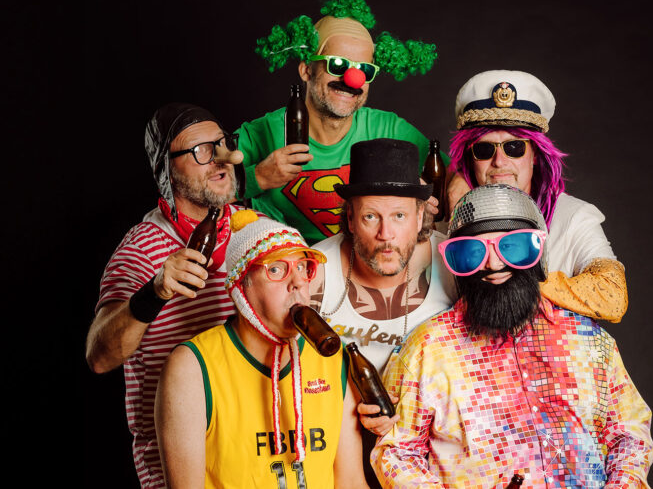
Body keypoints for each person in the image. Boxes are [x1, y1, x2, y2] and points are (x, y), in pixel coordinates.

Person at [372, 184, 653, 488]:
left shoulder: (589, 340)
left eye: (512, 247)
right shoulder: (427, 349)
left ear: (538, 251)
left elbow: (629, 434)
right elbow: (397, 453)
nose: (494, 265)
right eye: (474, 252)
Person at [85, 103, 244, 487]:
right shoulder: (142, 249)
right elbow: (99, 357)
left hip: (249, 460)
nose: (221, 159)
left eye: (222, 144)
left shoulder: (256, 231)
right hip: (180, 471)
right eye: (201, 150)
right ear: (167, 171)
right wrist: (153, 292)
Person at [155, 212, 367, 488]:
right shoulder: (190, 368)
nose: (297, 282)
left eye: (303, 267)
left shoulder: (334, 357)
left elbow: (351, 482)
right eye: (276, 269)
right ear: (241, 286)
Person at [237, 0, 446, 244]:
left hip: (367, 259)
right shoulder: (262, 133)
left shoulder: (388, 128)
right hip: (289, 260)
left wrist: (446, 188)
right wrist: (257, 177)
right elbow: (201, 186)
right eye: (337, 64)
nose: (352, 79)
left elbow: (459, 173)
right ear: (306, 70)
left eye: (364, 70)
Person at [310, 138, 457, 486]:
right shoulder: (314, 270)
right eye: (370, 216)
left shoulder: (454, 264)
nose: (385, 234)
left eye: (399, 216)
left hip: (435, 454)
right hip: (338, 451)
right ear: (350, 217)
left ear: (420, 216)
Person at [447, 70, 628, 323]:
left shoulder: (573, 218)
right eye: (484, 149)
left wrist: (521, 283)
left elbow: (612, 295)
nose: (499, 162)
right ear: (471, 158)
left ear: (535, 154)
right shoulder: (452, 218)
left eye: (514, 147)